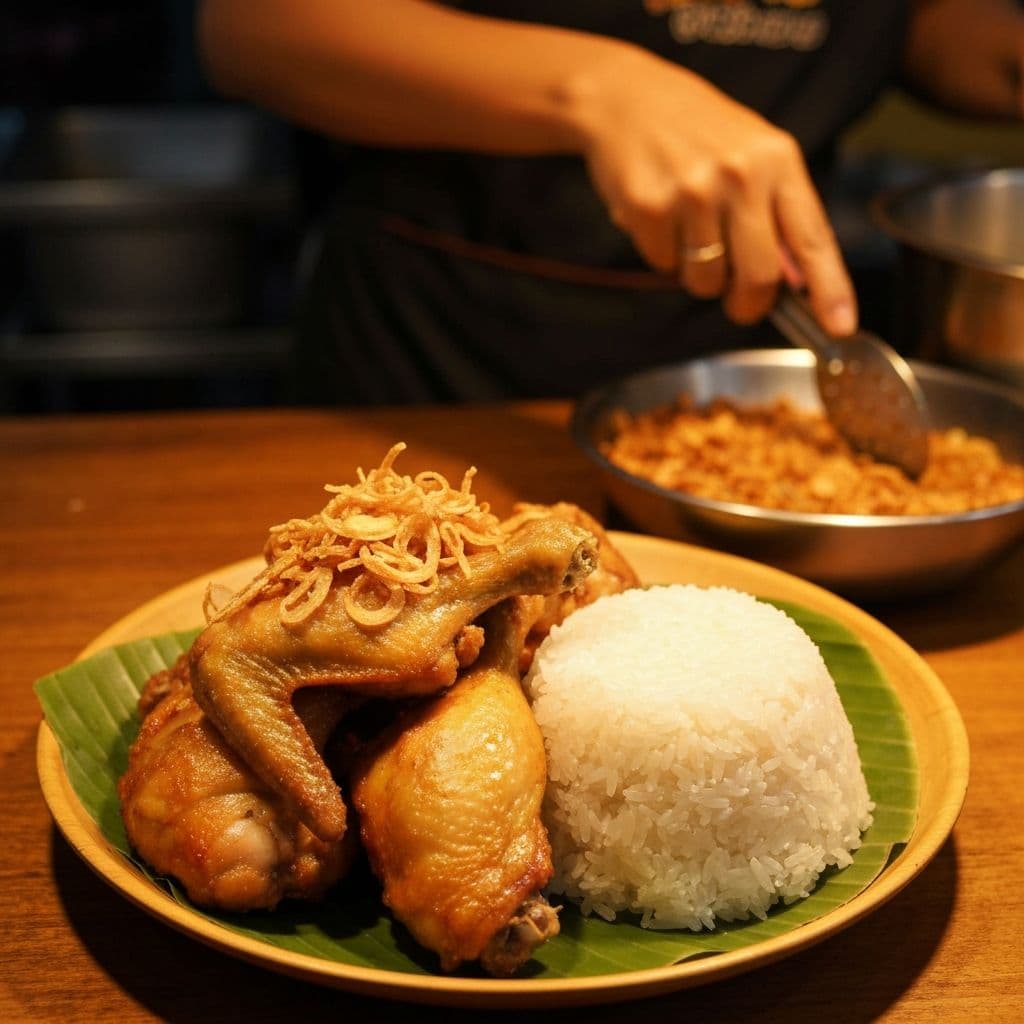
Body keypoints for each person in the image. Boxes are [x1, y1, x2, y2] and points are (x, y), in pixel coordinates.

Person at [197, 1, 1024, 405]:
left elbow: (913, 24)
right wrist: (603, 90)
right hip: (433, 366)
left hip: (748, 370)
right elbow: (255, 28)